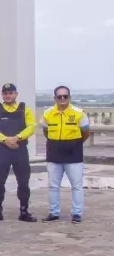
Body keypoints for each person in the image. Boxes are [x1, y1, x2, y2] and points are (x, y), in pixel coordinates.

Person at [40, 86, 90, 223]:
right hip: (54, 153)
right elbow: (46, 131)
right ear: (55, 98)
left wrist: (74, 143)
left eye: (65, 96)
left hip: (73, 154)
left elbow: (85, 132)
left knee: (77, 185)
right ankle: (54, 213)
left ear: (69, 97)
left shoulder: (79, 113)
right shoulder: (47, 113)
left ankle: (77, 213)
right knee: (53, 186)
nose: (62, 99)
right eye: (59, 96)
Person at [0, 83, 38, 222]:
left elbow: (31, 127)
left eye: (11, 93)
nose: (8, 95)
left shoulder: (25, 110)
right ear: (2, 94)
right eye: (5, 93)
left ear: (16, 94)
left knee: (23, 182)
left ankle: (24, 211)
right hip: (2, 150)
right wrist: (6, 140)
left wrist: (17, 138)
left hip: (20, 150)